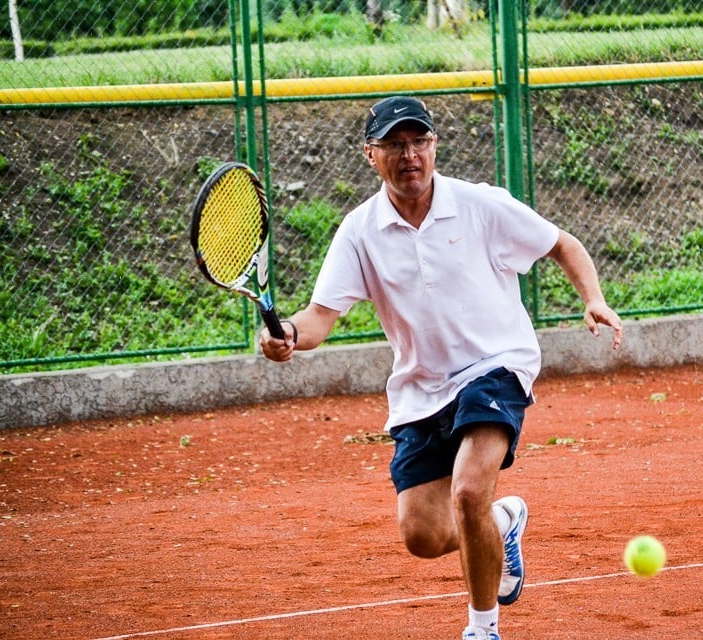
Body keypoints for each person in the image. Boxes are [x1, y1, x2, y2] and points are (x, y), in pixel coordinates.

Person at [260, 96, 623, 640]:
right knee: (424, 536)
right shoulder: (360, 231)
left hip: (495, 366)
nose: (409, 156)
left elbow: (562, 245)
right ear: (370, 154)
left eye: (419, 142)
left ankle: (482, 629)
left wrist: (592, 297)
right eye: (394, 145)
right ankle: (504, 523)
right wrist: (288, 335)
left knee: (470, 490)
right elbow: (319, 317)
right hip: (421, 389)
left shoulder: (479, 205)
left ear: (434, 146)